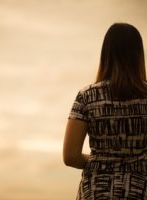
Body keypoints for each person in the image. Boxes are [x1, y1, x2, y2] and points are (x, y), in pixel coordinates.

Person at [63, 23, 147, 199]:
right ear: (139, 55)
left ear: (106, 54)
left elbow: (70, 156)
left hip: (95, 192)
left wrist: (101, 162)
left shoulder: (87, 96)